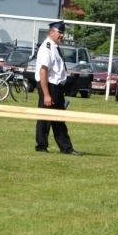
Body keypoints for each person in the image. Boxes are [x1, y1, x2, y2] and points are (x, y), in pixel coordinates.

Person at [34, 20, 83, 156]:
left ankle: (66, 148)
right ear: (51, 32)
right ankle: (41, 147)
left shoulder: (54, 46)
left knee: (59, 119)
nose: (61, 35)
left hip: (56, 87)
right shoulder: (47, 47)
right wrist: (47, 95)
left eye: (62, 33)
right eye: (59, 32)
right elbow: (43, 71)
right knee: (45, 119)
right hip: (49, 86)